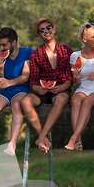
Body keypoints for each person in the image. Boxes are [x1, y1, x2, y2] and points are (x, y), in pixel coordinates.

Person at [21, 18, 73, 154]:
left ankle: (41, 137)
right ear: (39, 35)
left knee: (61, 99)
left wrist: (62, 87)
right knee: (25, 102)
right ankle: (42, 137)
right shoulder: (36, 55)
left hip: (61, 89)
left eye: (48, 27)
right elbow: (32, 81)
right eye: (42, 30)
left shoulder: (67, 51)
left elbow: (70, 77)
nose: (46, 31)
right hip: (42, 91)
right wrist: (38, 88)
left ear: (54, 29)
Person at [0, 27, 33, 161]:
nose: (1, 47)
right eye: (0, 44)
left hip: (22, 89)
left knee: (17, 105)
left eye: (4, 44)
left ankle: (12, 144)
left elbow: (26, 76)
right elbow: (0, 86)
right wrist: (0, 69)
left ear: (14, 42)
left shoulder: (27, 53)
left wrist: (10, 82)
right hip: (5, 92)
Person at [65, 23, 94, 151]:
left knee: (87, 102)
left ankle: (74, 138)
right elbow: (75, 82)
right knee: (74, 101)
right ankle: (78, 140)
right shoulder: (75, 56)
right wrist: (76, 78)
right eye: (93, 37)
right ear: (84, 39)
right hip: (83, 88)